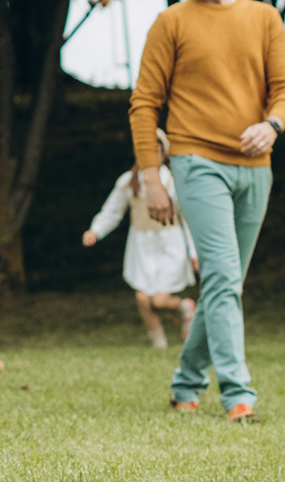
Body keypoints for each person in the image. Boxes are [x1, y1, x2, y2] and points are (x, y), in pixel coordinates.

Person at [127, 0, 285, 422]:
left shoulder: (263, 17)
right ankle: (238, 395)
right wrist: (152, 178)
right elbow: (144, 104)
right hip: (196, 162)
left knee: (226, 282)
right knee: (224, 276)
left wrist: (272, 125)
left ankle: (185, 382)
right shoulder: (171, 23)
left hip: (256, 168)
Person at [82, 129, 198, 348]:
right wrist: (95, 231)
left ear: (164, 154)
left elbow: (188, 218)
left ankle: (185, 307)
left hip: (169, 243)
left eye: (155, 150)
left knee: (160, 300)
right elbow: (112, 211)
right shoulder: (128, 181)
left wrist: (194, 252)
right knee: (143, 298)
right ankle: (159, 344)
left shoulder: (173, 182)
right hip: (142, 245)